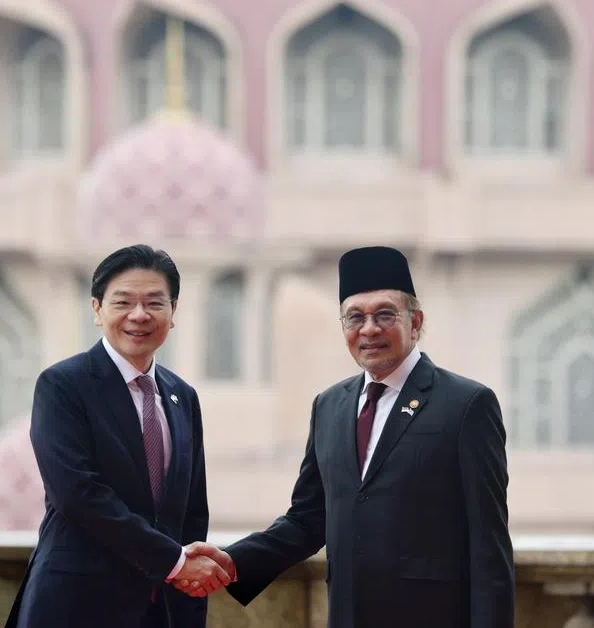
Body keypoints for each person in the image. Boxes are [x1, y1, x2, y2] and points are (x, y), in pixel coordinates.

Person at [185, 245, 515, 628]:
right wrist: (235, 560)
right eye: (355, 317)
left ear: (416, 321)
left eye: (385, 314)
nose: (369, 328)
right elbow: (309, 518)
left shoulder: (466, 405)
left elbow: (489, 549)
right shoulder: (330, 405)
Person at [5, 244, 230, 628]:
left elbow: (192, 510)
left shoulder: (182, 397)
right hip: (77, 606)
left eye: (154, 303)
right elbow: (78, 495)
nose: (139, 315)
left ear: (173, 312)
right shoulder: (63, 385)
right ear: (97, 309)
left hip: (163, 610)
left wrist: (189, 589)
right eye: (123, 302)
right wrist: (175, 563)